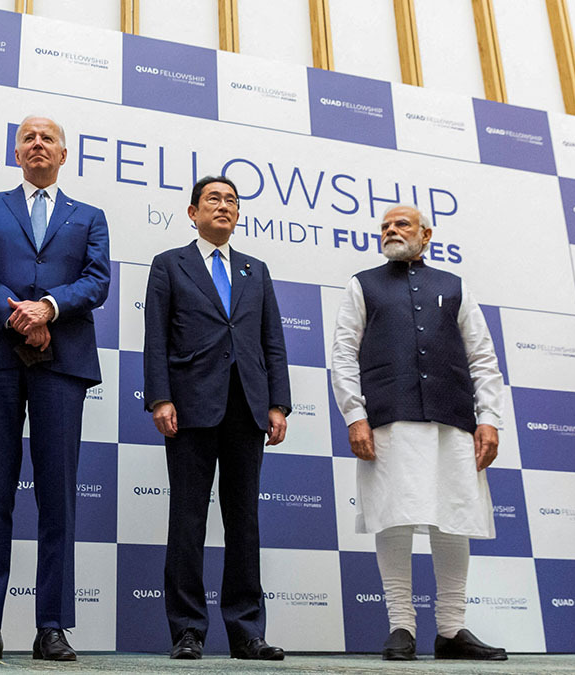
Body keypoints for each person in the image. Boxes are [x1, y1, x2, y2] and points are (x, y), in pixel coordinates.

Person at [0, 115, 110, 661]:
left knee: (58, 496)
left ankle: (52, 627)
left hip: (62, 361)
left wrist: (49, 308)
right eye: (28, 138)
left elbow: (97, 280)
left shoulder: (89, 216)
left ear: (63, 155)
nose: (37, 143)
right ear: (16, 153)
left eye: (48, 138)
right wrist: (17, 314)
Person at [330, 204, 507, 661]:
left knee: (454, 518)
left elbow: (483, 357)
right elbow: (343, 354)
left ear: (426, 235)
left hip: (453, 420)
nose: (391, 230)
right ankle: (401, 627)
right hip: (388, 419)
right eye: (385, 226)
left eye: (401, 224)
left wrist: (489, 418)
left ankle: (451, 629)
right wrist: (354, 415)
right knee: (394, 518)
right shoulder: (362, 285)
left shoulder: (455, 286)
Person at [143, 175, 291, 661]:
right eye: (213, 199)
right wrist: (160, 397)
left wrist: (278, 403)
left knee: (244, 521)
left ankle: (247, 632)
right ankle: (188, 630)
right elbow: (155, 338)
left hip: (248, 407)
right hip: (189, 407)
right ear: (193, 212)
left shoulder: (256, 270)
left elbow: (272, 341)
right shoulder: (170, 264)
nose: (223, 206)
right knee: (188, 520)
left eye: (231, 200)